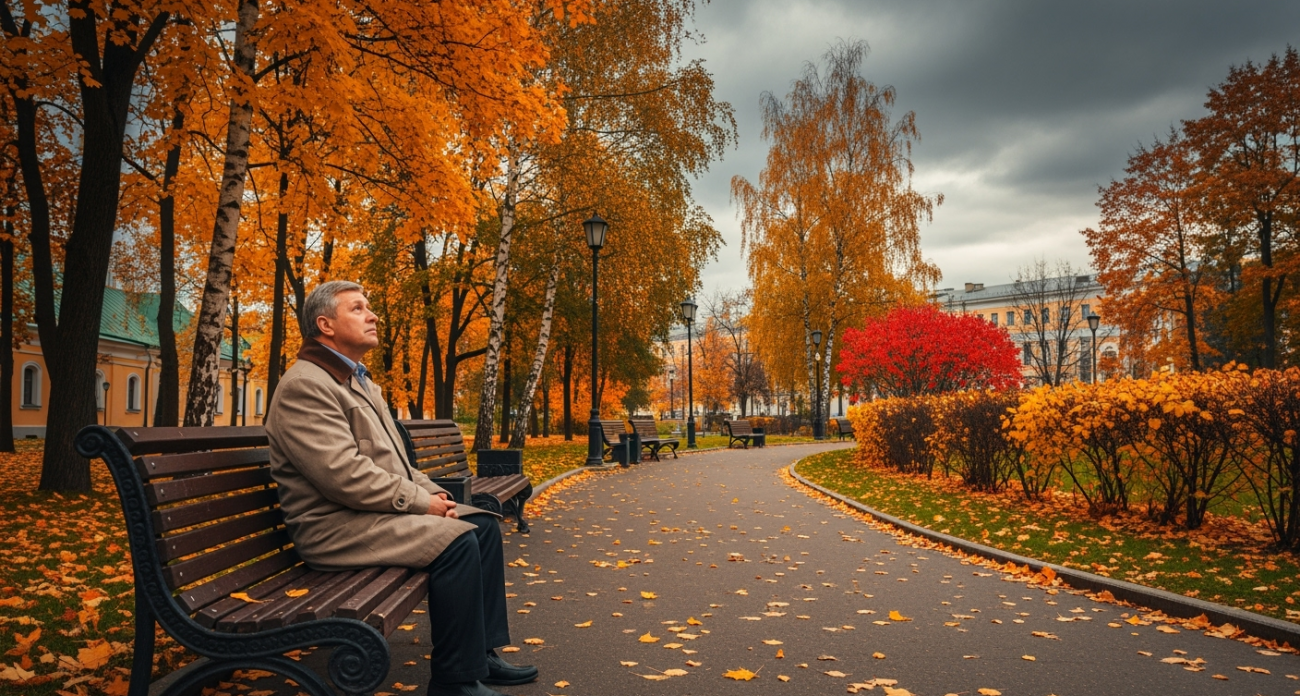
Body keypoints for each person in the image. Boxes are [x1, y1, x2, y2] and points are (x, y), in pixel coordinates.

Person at [266, 280, 536, 696]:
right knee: (458, 542)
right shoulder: (307, 385)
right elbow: (344, 475)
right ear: (325, 325)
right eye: (358, 308)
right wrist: (419, 503)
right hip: (334, 528)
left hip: (367, 516)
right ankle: (454, 682)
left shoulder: (357, 380)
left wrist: (433, 493)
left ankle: (480, 657)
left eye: (368, 307)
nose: (372, 315)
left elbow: (396, 462)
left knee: (482, 526)